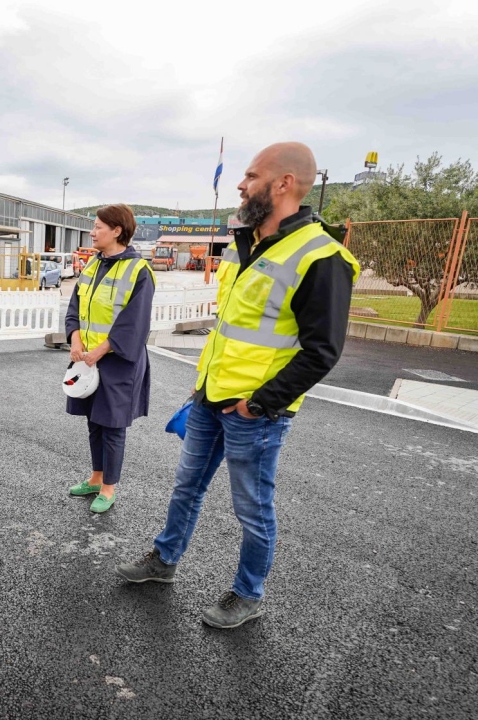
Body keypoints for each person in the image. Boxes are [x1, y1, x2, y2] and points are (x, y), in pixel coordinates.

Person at [116, 142, 360, 629]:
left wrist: (260, 404)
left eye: (251, 176)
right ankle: (164, 561)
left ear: (283, 183)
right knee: (187, 486)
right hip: (211, 397)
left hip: (256, 412)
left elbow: (322, 352)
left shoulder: (322, 256)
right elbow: (232, 326)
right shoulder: (243, 242)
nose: (241, 185)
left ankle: (248, 594)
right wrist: (204, 384)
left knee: (252, 507)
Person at [65, 204, 155, 514]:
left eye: (98, 227)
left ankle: (108, 488)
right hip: (88, 358)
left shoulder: (139, 271)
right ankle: (95, 478)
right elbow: (75, 307)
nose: (92, 232)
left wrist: (100, 351)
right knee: (94, 421)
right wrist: (75, 339)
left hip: (118, 361)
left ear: (117, 231)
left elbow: (134, 324)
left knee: (113, 425)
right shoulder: (93, 264)